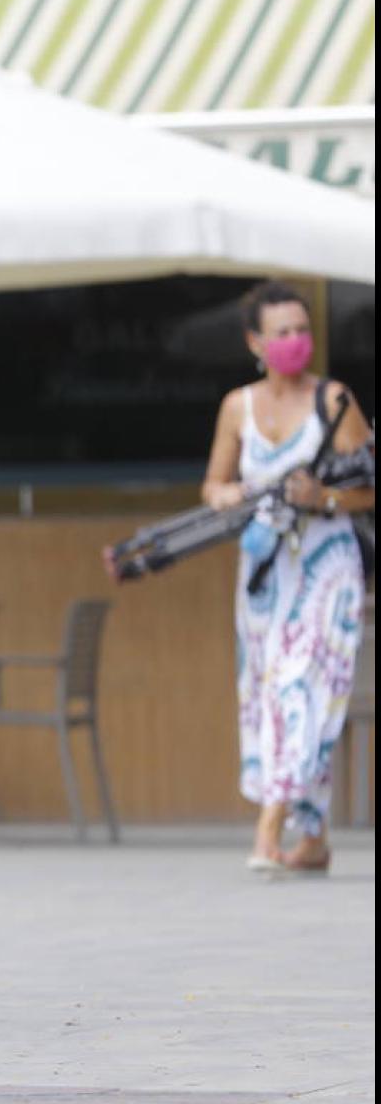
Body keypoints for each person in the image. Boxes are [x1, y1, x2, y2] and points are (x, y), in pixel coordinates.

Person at [201, 281, 373, 874]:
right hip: (267, 569)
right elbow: (214, 483)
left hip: (327, 565)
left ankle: (269, 826)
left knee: (299, 685)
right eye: (283, 332)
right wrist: (228, 494)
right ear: (256, 341)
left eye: (303, 330)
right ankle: (315, 837)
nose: (296, 341)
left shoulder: (335, 402)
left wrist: (322, 495)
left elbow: (367, 489)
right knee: (270, 691)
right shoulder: (237, 406)